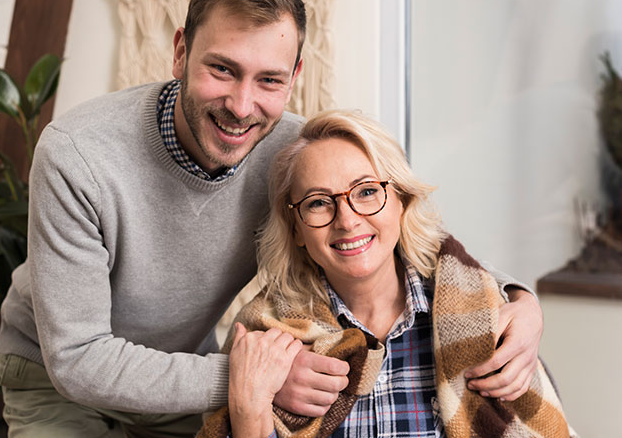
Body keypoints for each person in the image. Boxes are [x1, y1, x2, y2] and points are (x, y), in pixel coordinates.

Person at [0, 0, 543, 437]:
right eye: (222, 69)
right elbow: (77, 358)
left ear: (295, 76)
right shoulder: (78, 154)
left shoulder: (292, 153)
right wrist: (256, 377)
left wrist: (518, 300)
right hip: (55, 378)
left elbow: (393, 230)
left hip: (181, 367)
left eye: (269, 80)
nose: (242, 105)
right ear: (181, 52)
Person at [212, 110, 574, 438]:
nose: (348, 220)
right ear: (296, 229)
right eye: (319, 202)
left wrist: (526, 301)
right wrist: (249, 408)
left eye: (368, 192)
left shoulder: (480, 315)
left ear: (401, 200)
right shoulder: (264, 337)